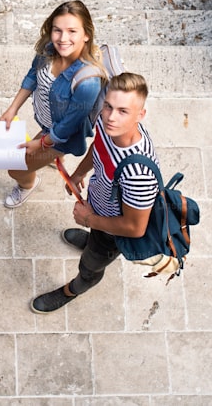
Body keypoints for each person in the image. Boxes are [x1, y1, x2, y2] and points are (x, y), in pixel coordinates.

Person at [30, 72, 159, 313]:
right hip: (100, 208)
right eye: (108, 106)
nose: (111, 117)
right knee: (94, 241)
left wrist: (89, 219)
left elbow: (135, 228)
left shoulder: (138, 173)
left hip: (114, 230)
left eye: (123, 111)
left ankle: (73, 289)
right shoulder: (106, 124)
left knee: (91, 266)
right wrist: (78, 173)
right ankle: (91, 240)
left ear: (140, 115)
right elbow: (98, 148)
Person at [0, 0, 104, 208]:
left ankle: (28, 184)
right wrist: (13, 108)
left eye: (72, 31)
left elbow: (67, 127)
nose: (63, 39)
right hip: (48, 121)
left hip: (60, 136)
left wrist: (41, 144)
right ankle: (55, 158)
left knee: (15, 169)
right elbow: (32, 77)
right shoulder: (49, 49)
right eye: (58, 30)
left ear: (86, 34)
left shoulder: (88, 83)